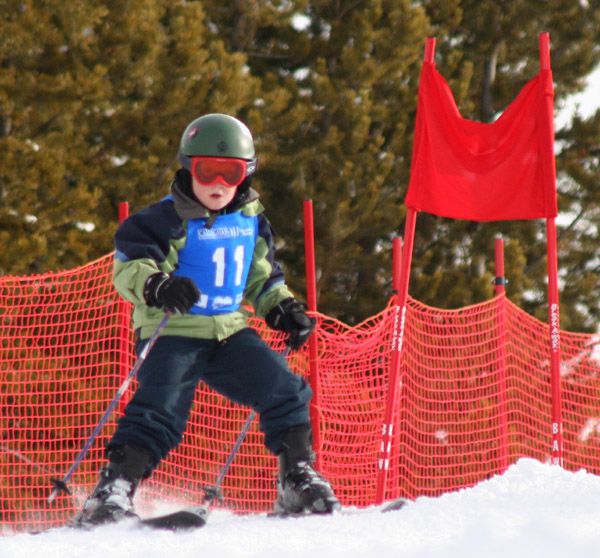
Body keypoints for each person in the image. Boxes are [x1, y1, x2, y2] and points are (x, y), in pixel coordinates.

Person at [75, 113, 340, 526]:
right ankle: (113, 490)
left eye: (229, 172)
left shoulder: (251, 220)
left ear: (245, 174)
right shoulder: (162, 221)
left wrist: (282, 309)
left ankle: (297, 477)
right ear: (188, 167)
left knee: (284, 388)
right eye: (207, 171)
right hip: (173, 331)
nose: (218, 183)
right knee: (161, 407)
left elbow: (262, 277)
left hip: (229, 331)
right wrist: (159, 285)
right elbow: (130, 267)